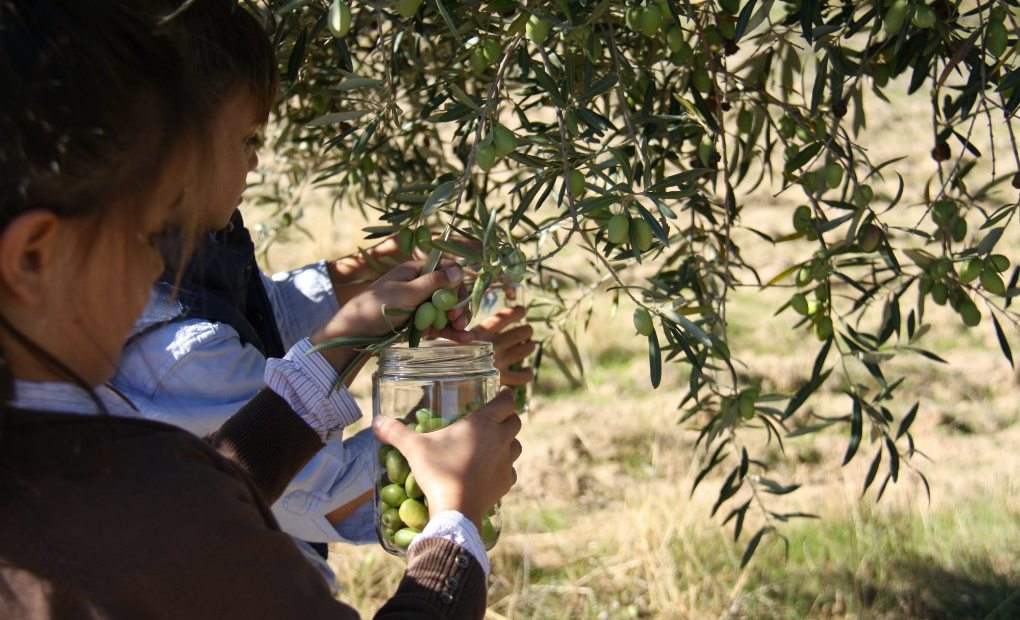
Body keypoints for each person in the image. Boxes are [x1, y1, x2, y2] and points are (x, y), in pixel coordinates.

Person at [0, 1, 521, 618]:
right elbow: (189, 508)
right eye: (147, 235)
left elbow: (200, 493)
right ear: (35, 258)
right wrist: (453, 527)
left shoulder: (66, 477)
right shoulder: (138, 511)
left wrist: (336, 350)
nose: (153, 268)